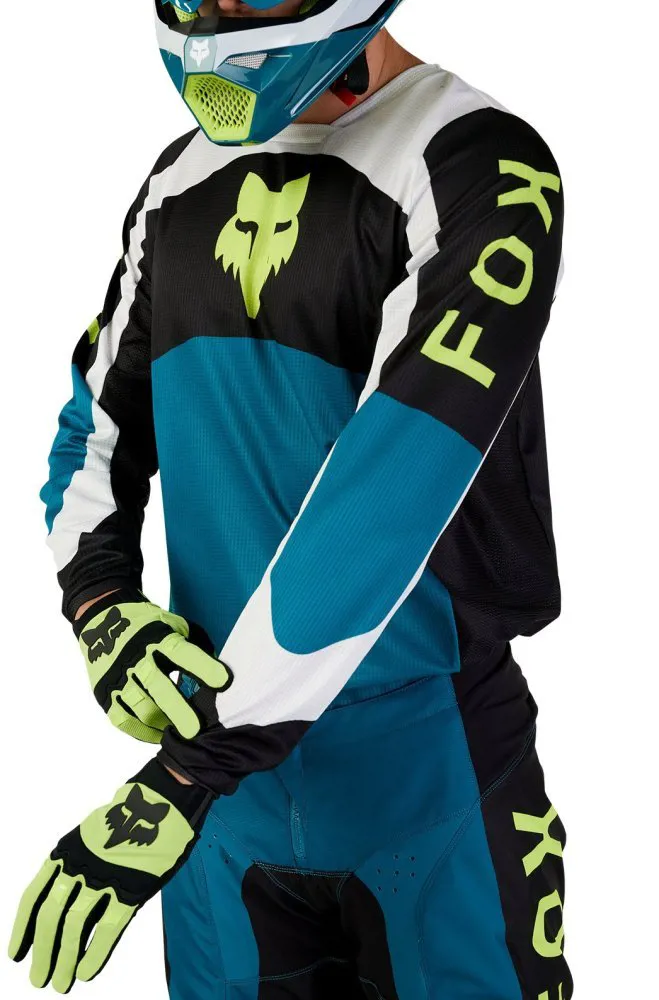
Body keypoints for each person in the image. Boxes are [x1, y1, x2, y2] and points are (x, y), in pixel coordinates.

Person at [9, 1, 572, 997]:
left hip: (422, 764)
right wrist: (103, 608)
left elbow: (389, 492)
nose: (220, 14)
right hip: (225, 796)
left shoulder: (477, 162)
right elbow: (89, 434)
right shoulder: (174, 184)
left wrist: (188, 776)